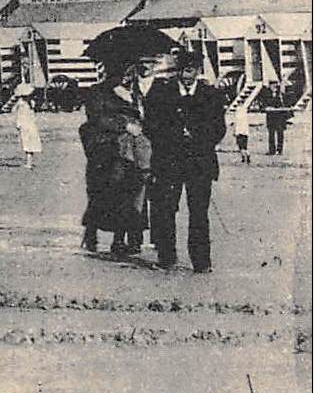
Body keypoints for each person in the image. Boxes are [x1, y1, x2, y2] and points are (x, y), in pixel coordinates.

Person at [145, 51, 226, 273]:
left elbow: (219, 129)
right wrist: (173, 137)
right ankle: (166, 258)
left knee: (199, 212)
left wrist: (197, 138)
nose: (185, 75)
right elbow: (149, 126)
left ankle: (201, 262)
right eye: (181, 70)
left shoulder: (211, 95)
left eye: (190, 70)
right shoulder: (160, 91)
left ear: (199, 71)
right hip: (168, 162)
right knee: (165, 210)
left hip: (199, 164)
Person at [80, 60, 150, 256]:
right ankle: (93, 232)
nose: (128, 77)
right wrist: (124, 125)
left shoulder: (137, 93)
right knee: (105, 193)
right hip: (107, 150)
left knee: (134, 192)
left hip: (134, 150)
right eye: (124, 73)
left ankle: (129, 237)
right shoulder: (98, 92)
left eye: (131, 73)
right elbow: (96, 118)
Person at [14, 85, 42, 169]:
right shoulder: (31, 103)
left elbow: (19, 115)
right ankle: (29, 161)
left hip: (25, 125)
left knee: (26, 143)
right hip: (32, 125)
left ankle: (28, 163)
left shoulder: (21, 104)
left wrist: (18, 124)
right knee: (31, 143)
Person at [260, 83, 291, 155]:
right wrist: (266, 107)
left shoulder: (280, 95)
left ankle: (279, 150)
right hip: (271, 118)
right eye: (272, 85)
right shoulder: (266, 94)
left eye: (275, 85)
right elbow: (263, 104)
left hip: (279, 118)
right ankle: (272, 150)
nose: (274, 87)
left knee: (280, 134)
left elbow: (285, 104)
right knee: (271, 134)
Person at [232, 98, 252, 165]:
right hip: (245, 131)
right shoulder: (245, 111)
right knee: (245, 146)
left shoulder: (237, 112)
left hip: (239, 131)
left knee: (240, 146)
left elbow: (236, 122)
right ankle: (247, 154)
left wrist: (234, 131)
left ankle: (244, 156)